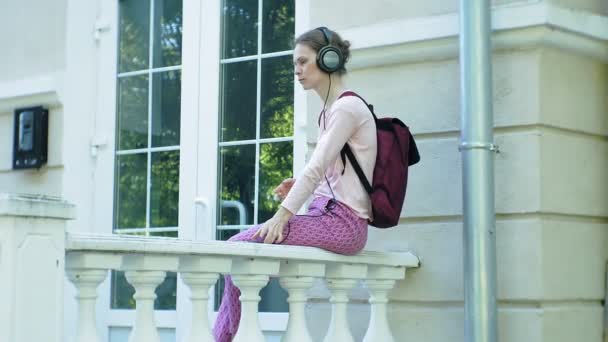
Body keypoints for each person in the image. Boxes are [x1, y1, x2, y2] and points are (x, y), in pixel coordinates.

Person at [213, 26, 378, 342]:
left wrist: (282, 215)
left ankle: (224, 337)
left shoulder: (346, 108)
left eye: (303, 62)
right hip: (328, 217)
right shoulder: (330, 111)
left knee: (237, 246)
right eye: (295, 64)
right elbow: (334, 178)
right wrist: (302, 188)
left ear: (328, 59)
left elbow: (317, 168)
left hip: (343, 224)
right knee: (241, 252)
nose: (297, 71)